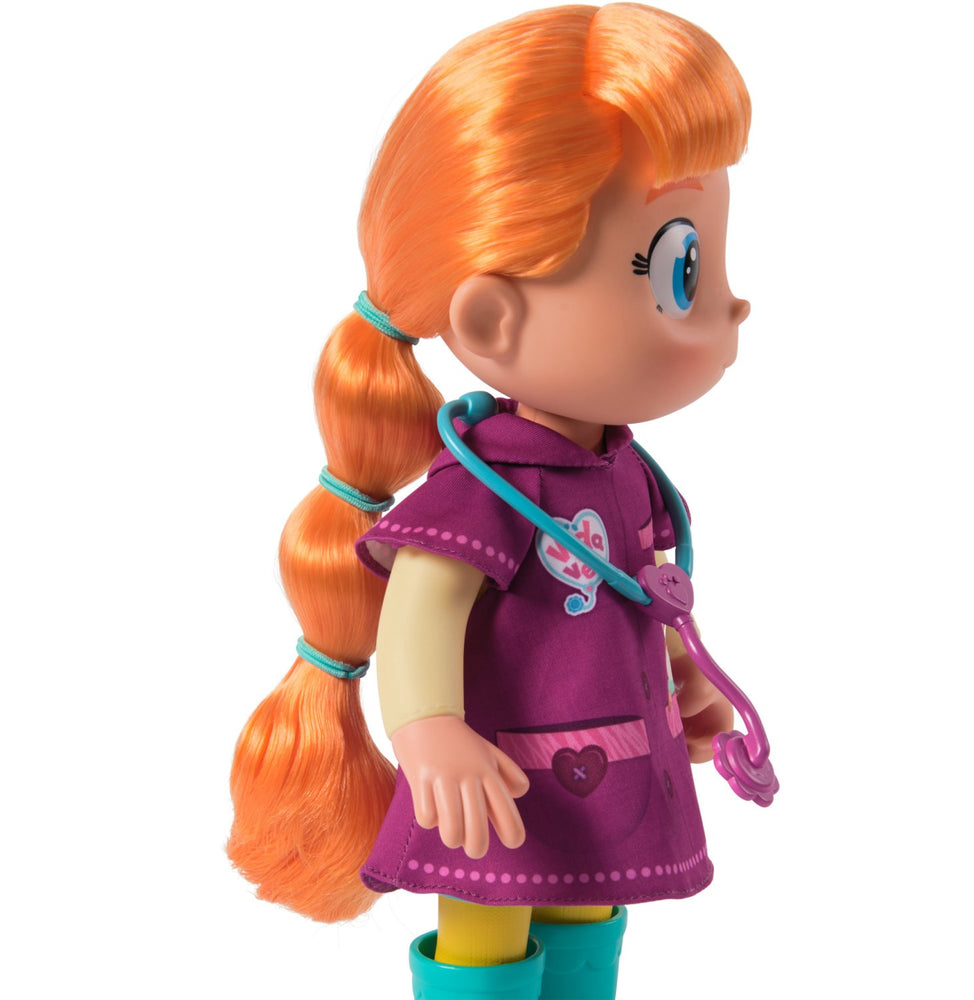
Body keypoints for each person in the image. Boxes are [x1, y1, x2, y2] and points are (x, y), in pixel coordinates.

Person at [228, 6, 754, 997]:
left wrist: (684, 674)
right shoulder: (486, 488)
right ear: (493, 320)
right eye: (681, 269)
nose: (730, 304)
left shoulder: (626, 472)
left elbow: (639, 590)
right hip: (493, 777)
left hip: (610, 759)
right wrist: (427, 731)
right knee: (489, 926)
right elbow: (419, 610)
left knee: (589, 908)